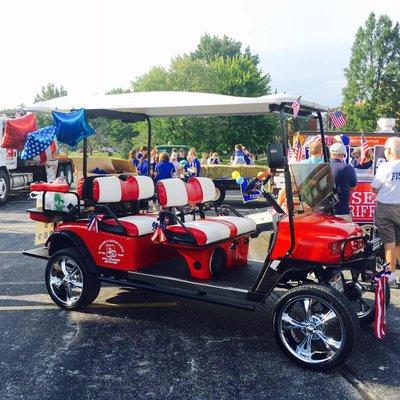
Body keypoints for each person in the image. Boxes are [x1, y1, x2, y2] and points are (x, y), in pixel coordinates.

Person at [371, 137, 400, 283]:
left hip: (386, 208)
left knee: (389, 242)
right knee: (399, 242)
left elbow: (374, 189)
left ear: (388, 151)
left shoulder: (385, 167)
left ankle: (391, 273)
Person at [329, 142, 357, 221]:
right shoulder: (348, 168)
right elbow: (353, 187)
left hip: (323, 212)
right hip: (341, 211)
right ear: (343, 155)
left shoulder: (322, 166)